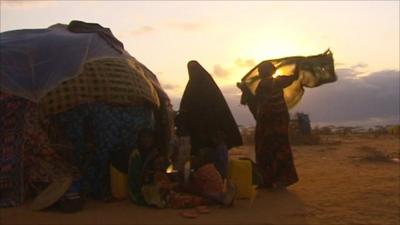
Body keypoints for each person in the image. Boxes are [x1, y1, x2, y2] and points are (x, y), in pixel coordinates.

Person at [254, 62, 299, 189]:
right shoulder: (278, 82)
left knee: (267, 149)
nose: (259, 73)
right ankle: (278, 180)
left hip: (269, 122)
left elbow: (252, 101)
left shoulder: (263, 84)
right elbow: (294, 77)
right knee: (279, 148)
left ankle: (268, 180)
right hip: (276, 121)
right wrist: (298, 65)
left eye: (260, 70)